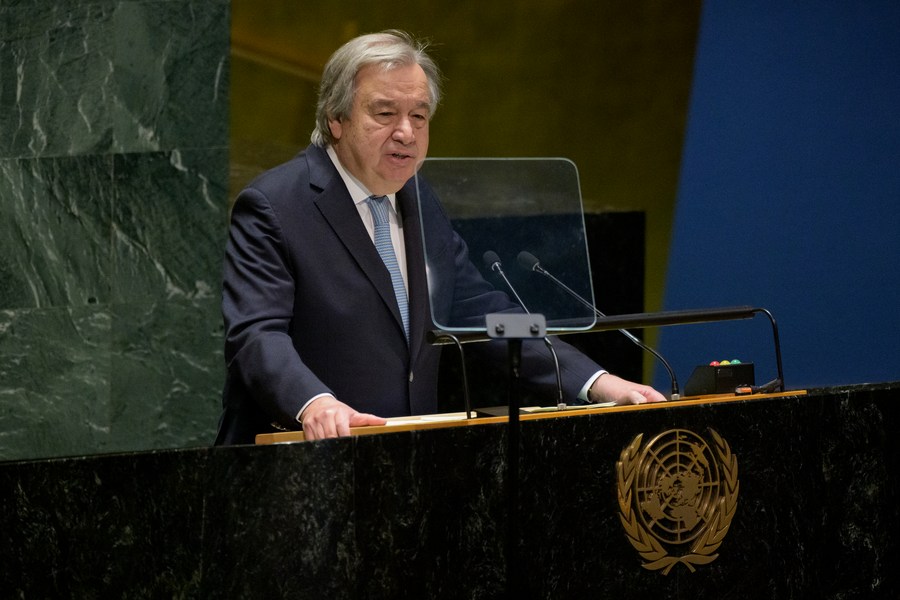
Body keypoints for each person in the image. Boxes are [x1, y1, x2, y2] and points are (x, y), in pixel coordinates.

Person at [215, 30, 665, 445]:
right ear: (336, 118)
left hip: (408, 460)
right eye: (385, 113)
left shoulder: (419, 198)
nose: (406, 132)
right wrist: (314, 403)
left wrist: (597, 381)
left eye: (419, 115)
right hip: (298, 462)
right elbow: (257, 334)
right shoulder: (276, 206)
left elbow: (483, 312)